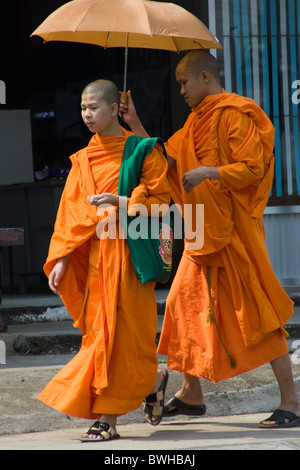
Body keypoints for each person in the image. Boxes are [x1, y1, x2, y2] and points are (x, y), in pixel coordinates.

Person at [120, 50, 300, 429]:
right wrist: (134, 123)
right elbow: (167, 161)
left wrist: (210, 172)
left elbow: (252, 168)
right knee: (179, 306)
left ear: (205, 76)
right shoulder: (194, 122)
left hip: (235, 235)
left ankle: (292, 402)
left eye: (184, 83)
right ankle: (191, 394)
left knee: (259, 316)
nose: (181, 91)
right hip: (203, 233)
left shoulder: (235, 113)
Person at [38, 79, 170, 442]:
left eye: (94, 107)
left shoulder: (143, 151)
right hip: (98, 263)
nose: (86, 115)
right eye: (82, 108)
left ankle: (107, 420)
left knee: (126, 339)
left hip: (131, 261)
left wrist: (121, 202)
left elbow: (163, 207)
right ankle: (153, 381)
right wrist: (62, 259)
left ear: (115, 109)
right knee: (102, 336)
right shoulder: (82, 160)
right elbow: (71, 216)